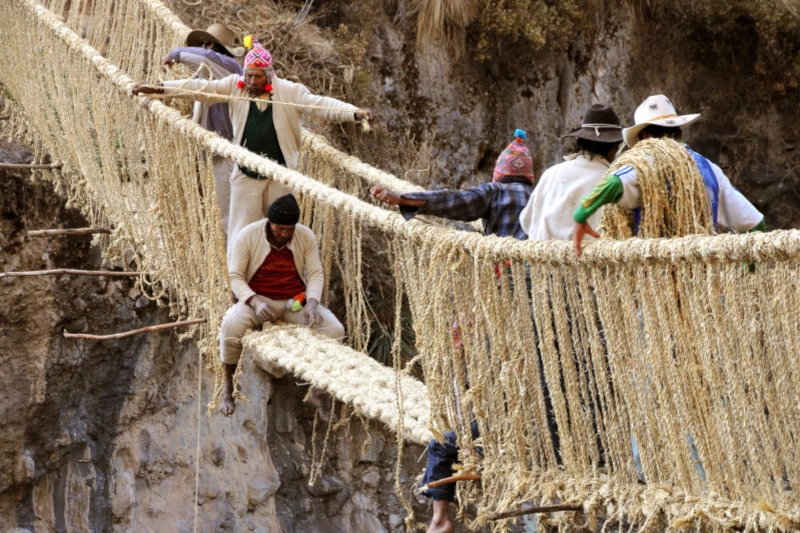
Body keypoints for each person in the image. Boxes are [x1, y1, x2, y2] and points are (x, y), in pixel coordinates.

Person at [131, 39, 371, 256]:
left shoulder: (289, 91)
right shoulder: (236, 86)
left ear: (270, 75)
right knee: (240, 231)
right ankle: (239, 282)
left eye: (258, 77)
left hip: (281, 174)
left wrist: (354, 113)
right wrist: (159, 89)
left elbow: (318, 104)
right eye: (249, 76)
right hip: (246, 173)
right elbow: (202, 89)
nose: (252, 82)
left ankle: (282, 279)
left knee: (283, 229)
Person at [573, 94, 765, 255]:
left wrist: (582, 215)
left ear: (645, 136)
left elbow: (613, 183)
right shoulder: (710, 169)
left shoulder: (643, 164)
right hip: (702, 285)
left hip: (657, 286)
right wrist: (748, 269)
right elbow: (756, 223)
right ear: (679, 134)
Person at [217, 195, 345, 416]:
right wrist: (254, 301)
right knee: (230, 328)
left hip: (294, 302)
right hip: (258, 300)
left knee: (334, 330)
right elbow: (235, 276)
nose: (284, 233)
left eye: (289, 229)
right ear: (269, 222)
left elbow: (314, 273)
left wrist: (312, 303)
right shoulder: (247, 236)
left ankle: (320, 390)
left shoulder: (305, 236)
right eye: (279, 228)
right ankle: (228, 387)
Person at [370, 129, 536, 240]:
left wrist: (403, 200)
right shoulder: (540, 195)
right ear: (529, 177)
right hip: (545, 277)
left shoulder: (495, 192)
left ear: (498, 174)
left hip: (510, 274)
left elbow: (455, 201)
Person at [161, 23, 244, 238]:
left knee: (226, 216)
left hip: (229, 155)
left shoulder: (230, 69)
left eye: (207, 45)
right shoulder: (209, 78)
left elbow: (206, 59)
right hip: (212, 153)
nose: (204, 49)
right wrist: (157, 89)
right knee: (215, 210)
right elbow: (191, 88)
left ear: (213, 47)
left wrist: (175, 54)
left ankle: (228, 265)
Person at [519, 104, 623, 241]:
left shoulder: (551, 173)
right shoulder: (613, 180)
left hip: (543, 259)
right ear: (614, 146)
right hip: (590, 260)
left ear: (581, 141)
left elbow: (526, 221)